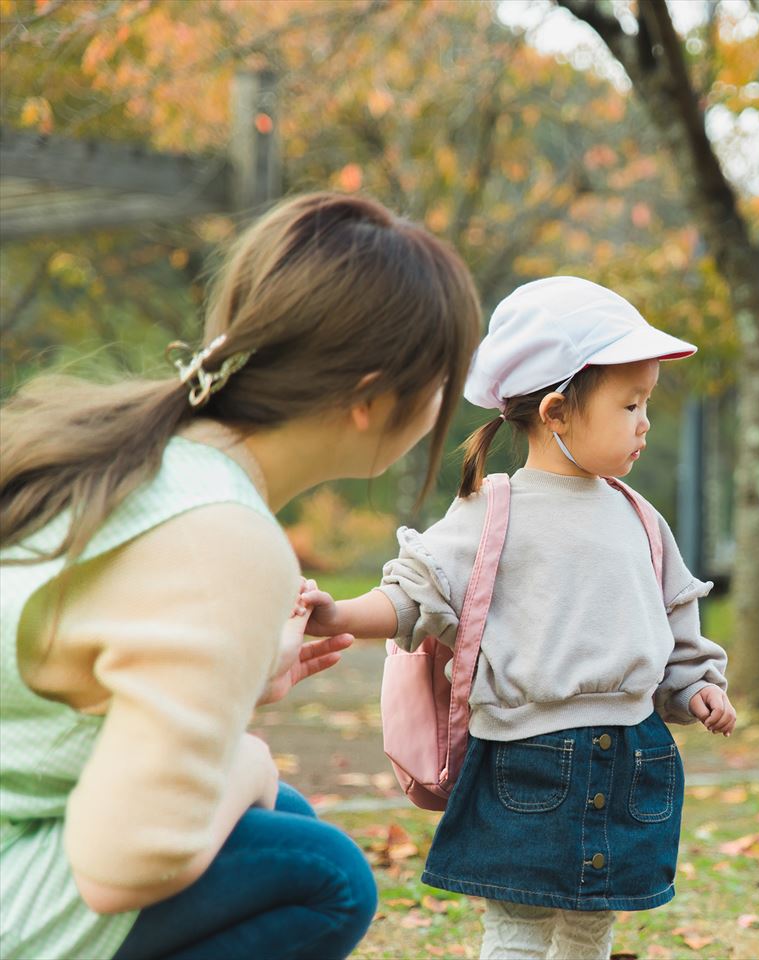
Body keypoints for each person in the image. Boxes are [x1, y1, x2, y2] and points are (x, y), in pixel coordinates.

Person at [0, 192, 483, 959]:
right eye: (441, 383)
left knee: (280, 823)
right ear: (371, 398)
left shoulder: (140, 457)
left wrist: (235, 687)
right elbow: (121, 865)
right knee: (322, 873)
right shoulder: (223, 535)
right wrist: (246, 757)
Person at [302, 276, 737, 960]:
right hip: (527, 760)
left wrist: (696, 687)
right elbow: (416, 596)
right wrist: (338, 615)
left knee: (594, 925)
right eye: (629, 403)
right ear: (558, 412)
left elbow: (677, 629)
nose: (644, 422)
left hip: (633, 758)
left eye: (645, 403)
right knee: (518, 931)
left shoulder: (639, 518)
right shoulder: (494, 509)